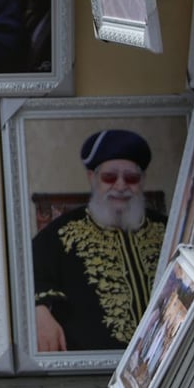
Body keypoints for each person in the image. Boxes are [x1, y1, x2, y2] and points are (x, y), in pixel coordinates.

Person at [31, 129, 166, 352]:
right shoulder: (62, 234)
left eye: (131, 178)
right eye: (110, 177)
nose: (121, 186)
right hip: (89, 367)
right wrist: (39, 311)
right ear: (92, 178)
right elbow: (27, 277)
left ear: (142, 181)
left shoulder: (168, 230)